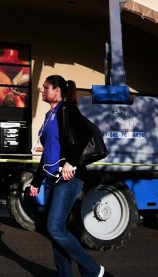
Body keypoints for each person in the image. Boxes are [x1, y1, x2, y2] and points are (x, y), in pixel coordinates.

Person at [29, 75, 104, 277]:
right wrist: (36, 182)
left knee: (54, 227)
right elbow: (47, 153)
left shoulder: (66, 108)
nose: (41, 90)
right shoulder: (49, 116)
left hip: (68, 178)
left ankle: (93, 269)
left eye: (45, 87)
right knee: (57, 230)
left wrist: (71, 162)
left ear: (57, 91)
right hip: (51, 179)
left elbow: (86, 133)